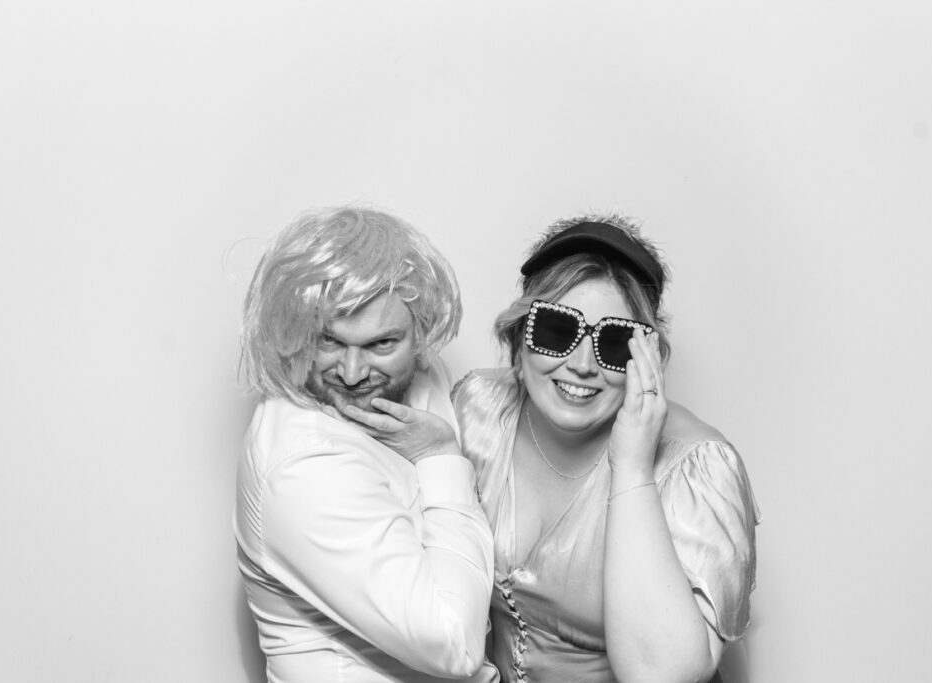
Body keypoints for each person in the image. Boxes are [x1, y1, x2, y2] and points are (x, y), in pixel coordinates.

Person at [452, 216, 761, 682]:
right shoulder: (478, 411)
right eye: (556, 330)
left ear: (647, 358)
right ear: (521, 336)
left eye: (613, 343)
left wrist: (633, 466)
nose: (581, 365)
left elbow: (661, 676)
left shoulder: (696, 466)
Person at [233, 207, 499, 682]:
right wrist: (440, 456)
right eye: (330, 342)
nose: (354, 375)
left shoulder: (421, 376)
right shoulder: (304, 466)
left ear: (420, 332)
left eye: (381, 344)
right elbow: (454, 647)